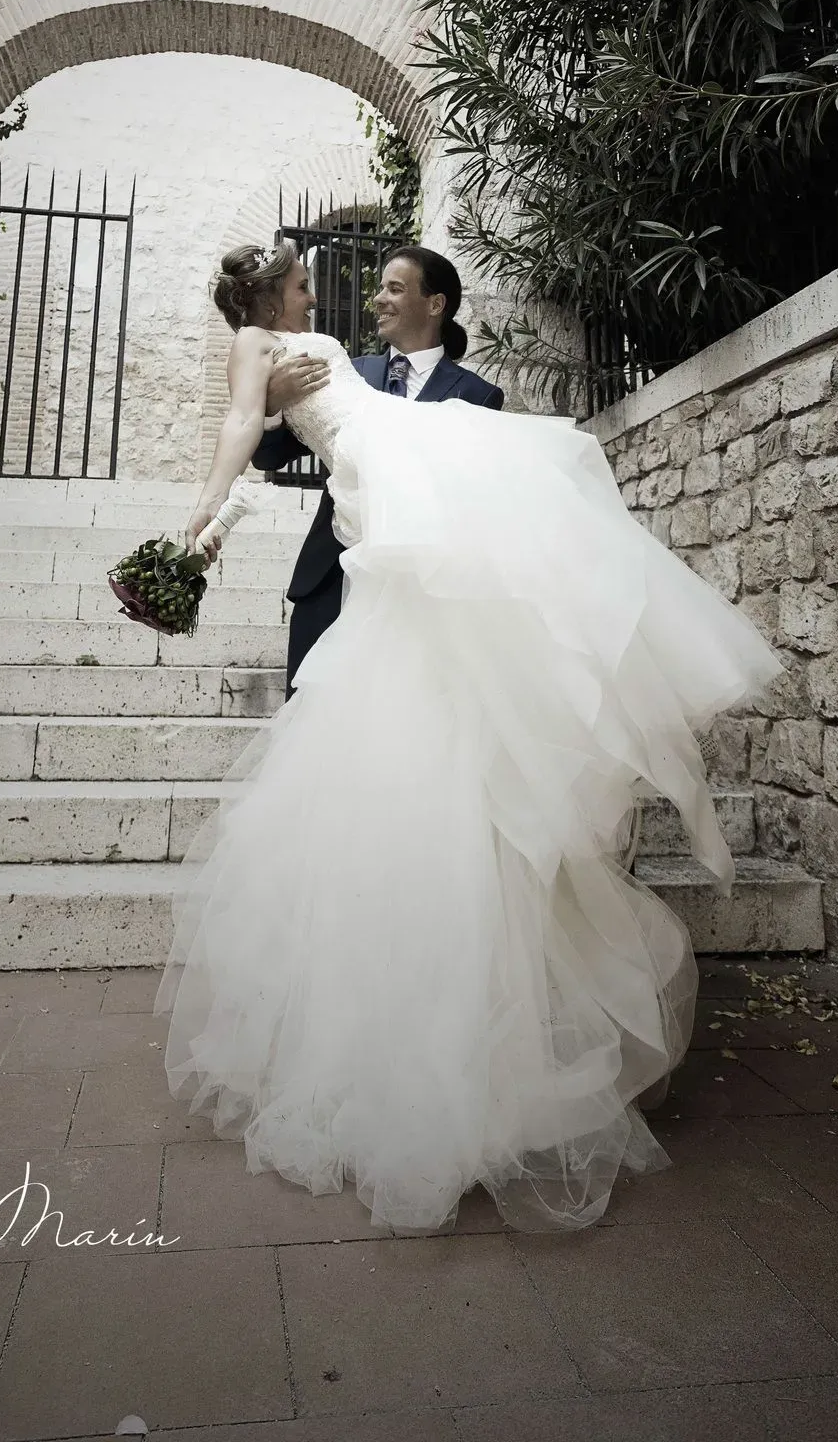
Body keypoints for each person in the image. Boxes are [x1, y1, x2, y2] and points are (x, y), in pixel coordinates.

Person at [153, 239, 785, 1235]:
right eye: (306, 281)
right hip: (378, 492)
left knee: (479, 610)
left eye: (392, 286)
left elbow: (292, 413)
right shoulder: (271, 348)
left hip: (405, 464)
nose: (339, 295)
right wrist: (205, 515)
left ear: (437, 303)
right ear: (271, 291)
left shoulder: (377, 364)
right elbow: (250, 426)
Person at [252, 244, 503, 696]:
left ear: (435, 304)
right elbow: (268, 457)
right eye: (379, 288)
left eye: (394, 288)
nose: (378, 299)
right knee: (309, 724)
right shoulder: (342, 369)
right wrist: (271, 402)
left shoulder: (479, 396)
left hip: (418, 588)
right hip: (332, 574)